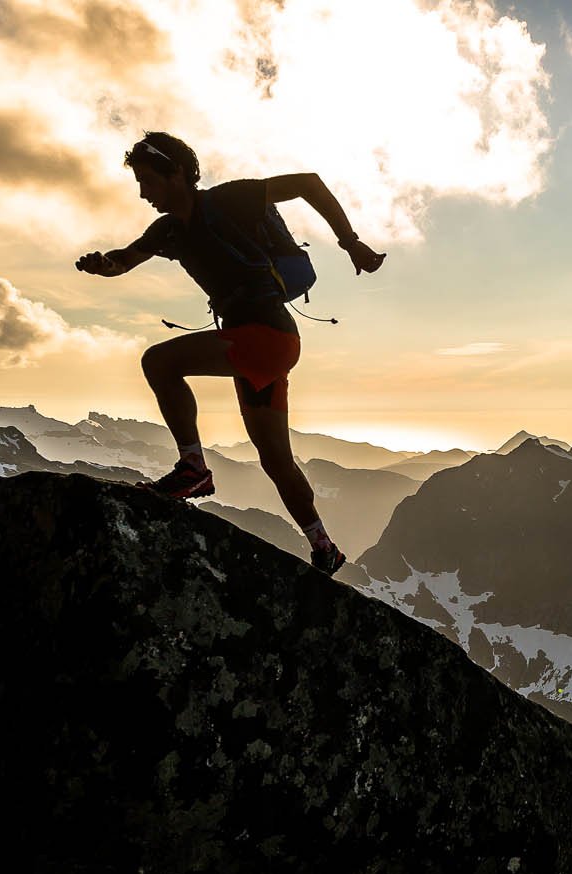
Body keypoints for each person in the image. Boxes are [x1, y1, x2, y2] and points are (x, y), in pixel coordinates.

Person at [76, 132, 384, 576]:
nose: (143, 193)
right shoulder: (167, 231)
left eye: (148, 181)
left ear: (177, 173)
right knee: (275, 459)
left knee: (159, 362)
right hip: (262, 344)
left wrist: (349, 241)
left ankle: (193, 468)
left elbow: (310, 183)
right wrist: (103, 266)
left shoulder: (230, 199)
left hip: (265, 336)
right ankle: (324, 547)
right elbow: (124, 260)